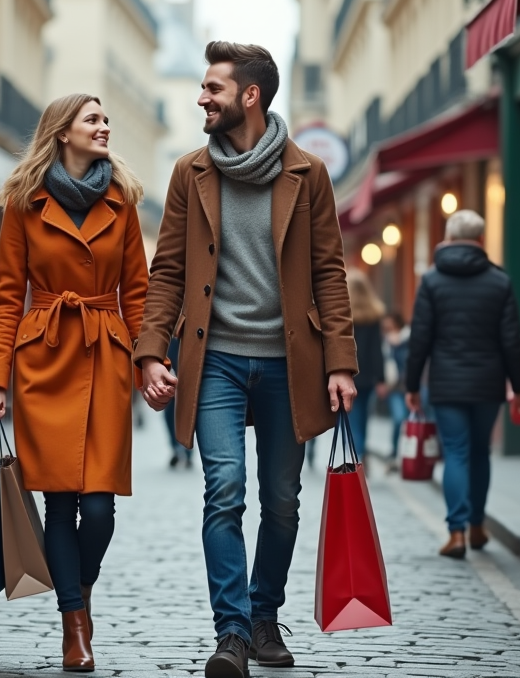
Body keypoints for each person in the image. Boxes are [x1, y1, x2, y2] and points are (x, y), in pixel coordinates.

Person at [135, 42, 358, 678]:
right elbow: (168, 272)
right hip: (218, 363)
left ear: (250, 96)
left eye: (213, 89)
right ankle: (230, 631)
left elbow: (329, 273)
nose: (201, 98)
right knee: (224, 489)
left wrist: (340, 361)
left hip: (291, 364)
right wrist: (152, 352)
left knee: (282, 500)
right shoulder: (190, 173)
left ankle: (265, 616)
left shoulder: (307, 173)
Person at [0, 93, 148, 673]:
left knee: (98, 510)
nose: (104, 127)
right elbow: (5, 298)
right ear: (62, 132)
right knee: (57, 502)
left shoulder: (122, 202)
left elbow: (140, 294)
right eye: (93, 119)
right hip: (43, 360)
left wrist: (149, 359)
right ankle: (75, 624)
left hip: (104, 356)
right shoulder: (25, 203)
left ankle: (81, 586)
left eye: (105, 118)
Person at [405, 209, 520, 559]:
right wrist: (519, 389)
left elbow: (420, 339)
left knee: (456, 452)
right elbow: (512, 342)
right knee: (480, 452)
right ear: (481, 240)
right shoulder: (500, 281)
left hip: (446, 384)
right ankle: (476, 526)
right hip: (488, 383)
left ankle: (456, 532)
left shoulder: (431, 281)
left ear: (447, 238)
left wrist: (411, 385)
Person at [345, 270, 384, 460]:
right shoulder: (374, 316)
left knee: (351, 417)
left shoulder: (343, 316)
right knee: (363, 417)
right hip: (368, 376)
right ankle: (360, 451)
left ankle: (356, 453)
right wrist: (381, 378)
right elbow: (377, 350)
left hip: (348, 373)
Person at [381, 312, 412, 468]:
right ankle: (394, 452)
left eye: (390, 325)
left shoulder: (409, 338)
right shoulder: (386, 342)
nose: (387, 328)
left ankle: (410, 454)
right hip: (395, 388)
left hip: (411, 387)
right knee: (398, 419)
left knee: (413, 423)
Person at [164, 337, 192, 468]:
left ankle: (187, 448)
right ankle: (176, 447)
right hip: (169, 337)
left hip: (189, 336)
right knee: (170, 404)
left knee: (187, 406)